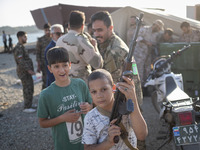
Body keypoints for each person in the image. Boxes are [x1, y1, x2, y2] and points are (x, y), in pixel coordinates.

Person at [37, 46, 93, 150]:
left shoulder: (80, 84)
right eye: (56, 66)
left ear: (70, 65)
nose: (62, 70)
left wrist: (89, 107)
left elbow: (92, 105)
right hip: (64, 145)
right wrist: (62, 118)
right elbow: (42, 123)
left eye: (65, 65)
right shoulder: (46, 95)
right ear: (50, 69)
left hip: (87, 142)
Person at [82, 69, 148, 150]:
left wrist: (132, 99)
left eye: (104, 89)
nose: (99, 95)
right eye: (94, 92)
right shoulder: (90, 117)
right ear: (90, 93)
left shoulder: (127, 108)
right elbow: (87, 148)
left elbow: (142, 135)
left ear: (113, 88)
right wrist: (108, 142)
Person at [90, 11, 143, 107]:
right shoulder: (105, 43)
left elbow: (110, 86)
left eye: (100, 30)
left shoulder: (115, 51)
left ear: (110, 28)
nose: (96, 34)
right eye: (94, 31)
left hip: (124, 103)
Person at [56, 10, 103, 82]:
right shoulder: (81, 40)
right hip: (81, 84)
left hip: (65, 82)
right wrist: (95, 46)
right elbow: (98, 64)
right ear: (83, 26)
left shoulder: (59, 40)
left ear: (69, 25)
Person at [133, 19, 164, 86]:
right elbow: (137, 37)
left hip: (148, 54)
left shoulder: (156, 34)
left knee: (148, 70)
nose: (159, 30)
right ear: (155, 25)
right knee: (139, 70)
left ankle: (146, 85)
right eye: (158, 28)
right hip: (139, 54)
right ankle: (139, 85)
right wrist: (146, 42)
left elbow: (154, 43)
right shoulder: (144, 29)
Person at [13, 31, 36, 113]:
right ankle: (26, 107)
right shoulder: (18, 48)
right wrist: (29, 70)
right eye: (25, 37)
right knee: (27, 89)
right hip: (24, 72)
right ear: (20, 37)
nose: (26, 38)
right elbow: (21, 61)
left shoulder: (22, 47)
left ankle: (29, 104)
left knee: (30, 88)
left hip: (26, 72)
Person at [36, 23, 51, 89]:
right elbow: (37, 53)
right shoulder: (40, 40)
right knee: (45, 80)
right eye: (46, 30)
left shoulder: (53, 38)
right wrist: (38, 65)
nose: (47, 31)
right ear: (44, 31)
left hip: (53, 62)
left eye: (49, 30)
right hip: (44, 63)